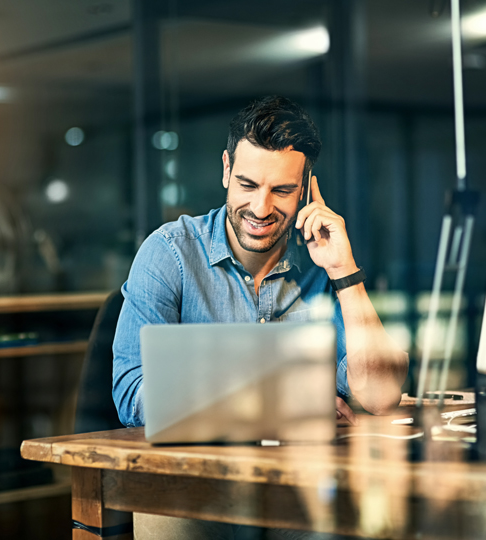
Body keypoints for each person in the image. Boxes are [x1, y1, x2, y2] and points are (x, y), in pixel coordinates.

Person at [112, 95, 408, 539]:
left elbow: (380, 393)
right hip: (202, 498)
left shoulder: (319, 265)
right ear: (226, 169)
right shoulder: (170, 253)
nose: (262, 207)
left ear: (307, 187)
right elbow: (133, 396)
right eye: (247, 184)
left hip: (305, 497)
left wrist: (344, 271)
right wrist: (284, 400)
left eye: (283, 190)